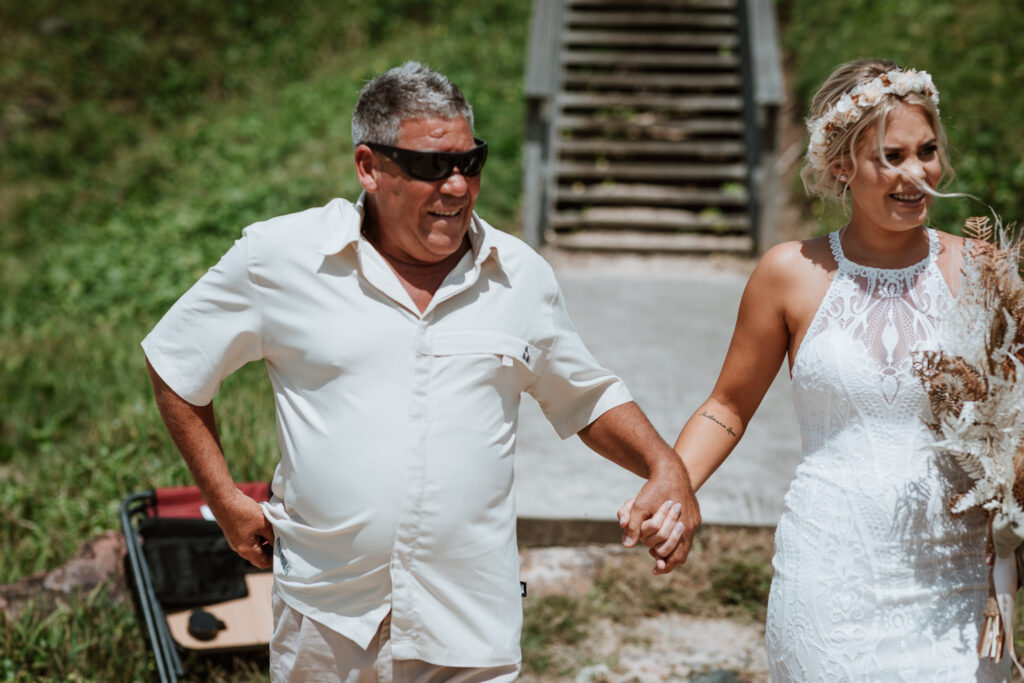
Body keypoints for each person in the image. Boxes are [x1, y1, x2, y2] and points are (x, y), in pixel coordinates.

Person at [142, 61, 699, 681]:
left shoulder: (519, 275)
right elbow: (176, 362)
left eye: (471, 162)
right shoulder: (281, 258)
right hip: (328, 620)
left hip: (470, 626)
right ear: (369, 167)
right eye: (433, 166)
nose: (458, 187)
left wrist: (664, 465)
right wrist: (223, 500)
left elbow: (586, 395)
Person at [624, 59, 1010, 680]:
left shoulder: (986, 271)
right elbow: (727, 406)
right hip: (829, 572)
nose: (917, 174)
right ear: (841, 167)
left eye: (928, 151)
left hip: (957, 577)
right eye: (891, 156)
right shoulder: (790, 273)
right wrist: (675, 482)